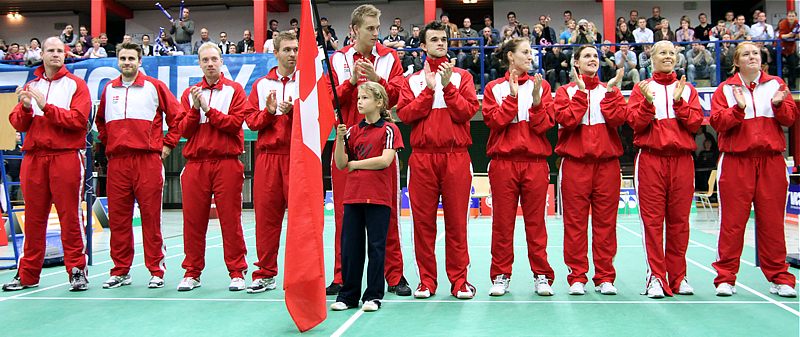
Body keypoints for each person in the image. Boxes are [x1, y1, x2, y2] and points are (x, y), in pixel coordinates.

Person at [327, 4, 410, 297]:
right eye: (370, 29)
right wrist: (351, 82)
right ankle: (341, 277)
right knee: (344, 218)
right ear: (354, 30)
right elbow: (330, 98)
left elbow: (400, 95)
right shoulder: (338, 59)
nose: (377, 34)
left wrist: (376, 79)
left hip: (380, 144)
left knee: (386, 216)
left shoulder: (389, 58)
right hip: (348, 146)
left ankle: (394, 275)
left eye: (378, 28)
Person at [397, 21, 479, 299]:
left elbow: (467, 112)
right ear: (423, 46)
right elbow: (405, 115)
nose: (440, 43)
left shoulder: (462, 77)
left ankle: (459, 282)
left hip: (456, 157)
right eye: (434, 40)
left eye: (443, 39)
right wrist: (430, 90)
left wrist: (448, 87)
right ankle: (427, 282)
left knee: (457, 223)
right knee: (423, 223)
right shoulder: (413, 80)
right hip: (422, 159)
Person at [709, 41, 798, 298]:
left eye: (756, 53)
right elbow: (717, 123)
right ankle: (725, 278)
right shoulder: (725, 89)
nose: (752, 57)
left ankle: (780, 277)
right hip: (736, 161)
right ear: (736, 61)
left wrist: (780, 104)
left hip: (771, 160)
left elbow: (790, 119)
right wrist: (737, 109)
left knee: (772, 223)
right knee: (732, 224)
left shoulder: (777, 84)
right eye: (746, 54)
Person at [2, 37, 91, 292]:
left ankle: (77, 270)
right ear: (41, 54)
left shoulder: (77, 85)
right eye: (50, 51)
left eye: (59, 51)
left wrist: (45, 106)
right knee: (33, 219)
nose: (55, 55)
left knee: (70, 217)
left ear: (65, 56)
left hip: (66, 156)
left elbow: (78, 120)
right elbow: (18, 124)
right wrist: (27, 108)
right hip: (34, 158)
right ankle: (27, 274)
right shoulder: (31, 85)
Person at [95, 42, 182, 289]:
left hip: (147, 161)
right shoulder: (108, 89)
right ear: (117, 61)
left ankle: (156, 269)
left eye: (131, 58)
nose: (127, 62)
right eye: (122, 58)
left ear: (140, 61)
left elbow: (178, 118)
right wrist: (110, 141)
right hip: (118, 163)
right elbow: (100, 121)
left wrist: (168, 144)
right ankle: (120, 270)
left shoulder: (155, 87)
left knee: (151, 218)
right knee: (119, 221)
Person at [626, 40, 703, 298]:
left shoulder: (688, 89)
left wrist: (680, 101)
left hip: (681, 160)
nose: (668, 56)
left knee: (680, 223)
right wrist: (648, 103)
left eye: (672, 52)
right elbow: (635, 124)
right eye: (663, 53)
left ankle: (679, 278)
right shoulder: (642, 88)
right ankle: (656, 278)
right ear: (652, 57)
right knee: (652, 223)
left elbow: (694, 125)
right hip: (651, 159)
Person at [481, 37, 555, 297]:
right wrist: (512, 97)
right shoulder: (493, 87)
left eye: (531, 52)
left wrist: (536, 101)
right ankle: (501, 275)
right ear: (511, 56)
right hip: (503, 164)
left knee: (536, 224)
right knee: (502, 223)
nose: (530, 56)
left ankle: (542, 276)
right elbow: (494, 123)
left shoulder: (542, 86)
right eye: (525, 52)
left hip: (535, 163)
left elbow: (544, 126)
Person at [177, 43, 252, 292]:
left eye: (214, 59)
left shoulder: (235, 90)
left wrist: (209, 110)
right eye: (205, 60)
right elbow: (183, 131)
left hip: (226, 162)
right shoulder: (190, 93)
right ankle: (192, 272)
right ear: (199, 63)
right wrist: (195, 109)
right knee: (193, 221)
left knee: (231, 220)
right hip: (196, 164)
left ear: (222, 62)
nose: (210, 63)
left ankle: (237, 272)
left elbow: (234, 124)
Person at [555, 45, 627, 296]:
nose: (592, 60)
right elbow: (567, 120)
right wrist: (581, 95)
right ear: (575, 63)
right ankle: (577, 276)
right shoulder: (565, 92)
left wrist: (609, 94)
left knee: (606, 224)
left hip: (607, 165)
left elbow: (619, 120)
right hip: (575, 165)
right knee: (574, 224)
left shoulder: (611, 90)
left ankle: (605, 276)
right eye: (586, 56)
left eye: (595, 56)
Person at [330, 82, 404, 312]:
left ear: (379, 103)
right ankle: (348, 295)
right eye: (359, 98)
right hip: (353, 197)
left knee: (376, 247)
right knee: (351, 248)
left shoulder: (390, 130)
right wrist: (340, 140)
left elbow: (384, 160)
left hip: (378, 198)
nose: (359, 101)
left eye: (365, 98)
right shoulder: (351, 131)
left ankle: (373, 295)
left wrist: (356, 164)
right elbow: (341, 164)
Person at [244, 31, 298, 293]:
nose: (292, 54)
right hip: (267, 159)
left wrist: (295, 111)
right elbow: (251, 122)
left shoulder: (309, 84)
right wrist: (268, 112)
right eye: (287, 49)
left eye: (296, 49)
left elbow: (320, 120)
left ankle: (301, 275)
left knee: (301, 220)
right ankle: (265, 273)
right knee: (266, 219)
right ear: (275, 52)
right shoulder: (261, 85)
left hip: (297, 158)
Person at [778, 11, 799, 90]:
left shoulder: (797, 23)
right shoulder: (782, 23)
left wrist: (795, 35)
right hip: (781, 47)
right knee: (779, 66)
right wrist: (790, 35)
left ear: (795, 17)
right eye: (789, 16)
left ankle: (792, 86)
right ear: (787, 17)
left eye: (793, 16)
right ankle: (782, 85)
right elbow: (782, 36)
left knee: (793, 66)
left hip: (791, 48)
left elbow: (798, 35)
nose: (791, 18)